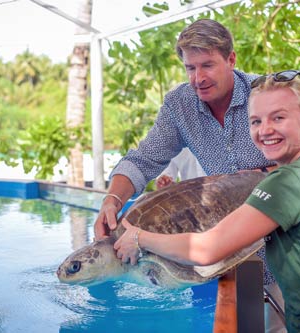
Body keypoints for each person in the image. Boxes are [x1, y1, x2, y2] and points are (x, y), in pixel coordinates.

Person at [114, 70, 300, 332]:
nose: (265, 130)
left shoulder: (287, 182)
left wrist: (139, 237)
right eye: (256, 121)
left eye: (279, 118)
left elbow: (206, 249)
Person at [94, 19, 285, 332]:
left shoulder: (266, 94)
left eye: (208, 65)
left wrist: (263, 172)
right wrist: (113, 199)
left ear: (231, 59)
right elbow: (143, 159)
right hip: (227, 254)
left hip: (286, 247)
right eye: (190, 68)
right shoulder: (179, 105)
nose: (199, 78)